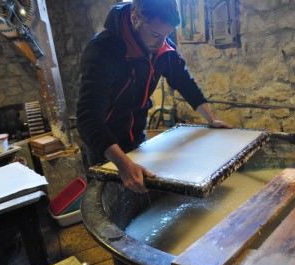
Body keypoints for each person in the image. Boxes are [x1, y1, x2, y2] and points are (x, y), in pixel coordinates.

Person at [76, 0, 231, 194]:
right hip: (106, 146)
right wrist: (124, 165)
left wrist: (211, 119)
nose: (160, 43)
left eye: (166, 35)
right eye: (155, 34)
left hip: (138, 137)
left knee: (144, 198)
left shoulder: (162, 47)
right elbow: (87, 118)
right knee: (111, 201)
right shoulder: (103, 50)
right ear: (135, 18)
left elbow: (183, 80)